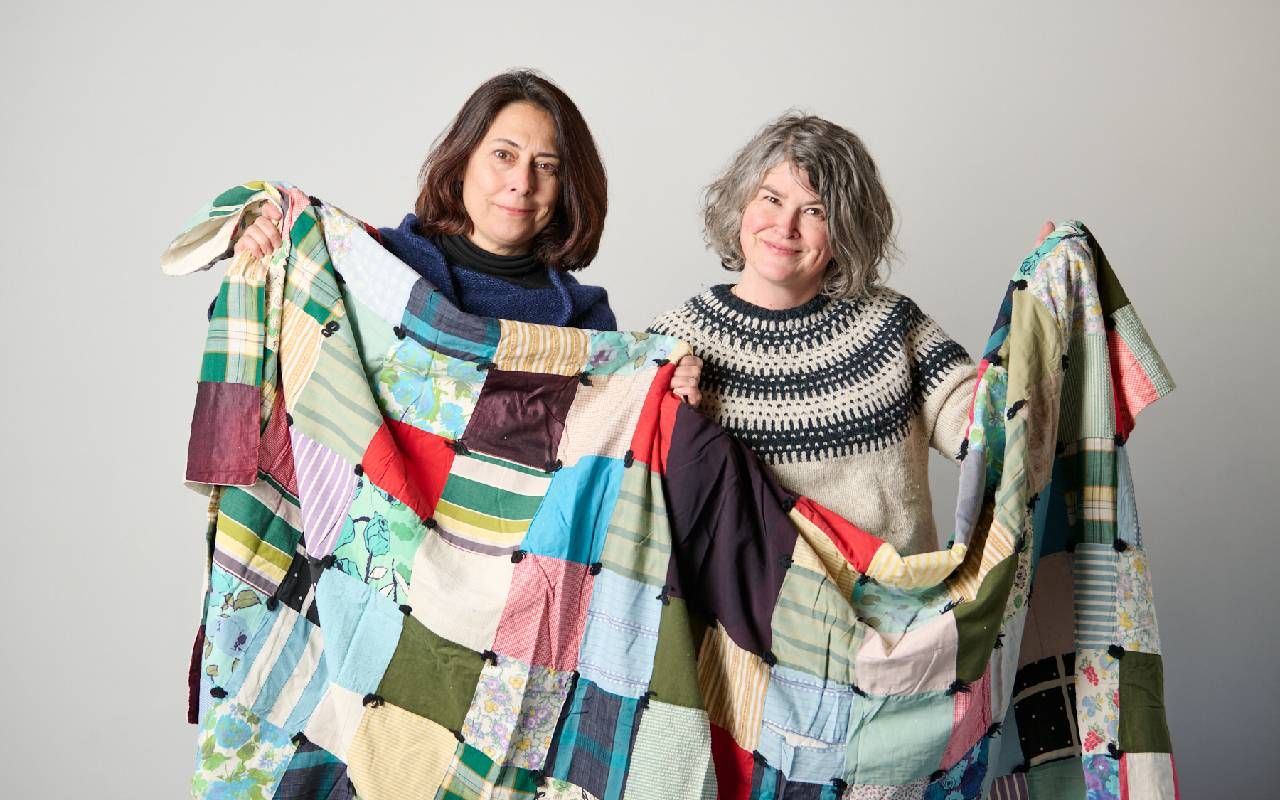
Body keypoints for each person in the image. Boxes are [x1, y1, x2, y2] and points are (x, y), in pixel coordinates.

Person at [653, 112, 1052, 555]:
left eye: (814, 211)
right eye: (771, 198)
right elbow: (641, 510)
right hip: (751, 620)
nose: (785, 227)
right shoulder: (674, 342)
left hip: (897, 613)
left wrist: (1036, 311)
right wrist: (672, 423)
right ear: (741, 201)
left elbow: (991, 431)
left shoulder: (891, 323)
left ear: (845, 229)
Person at [235, 70, 616, 329]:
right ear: (463, 161)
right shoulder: (370, 263)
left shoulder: (584, 321)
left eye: (546, 166)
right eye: (504, 155)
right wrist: (260, 269)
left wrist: (672, 388)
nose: (522, 182)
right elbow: (264, 346)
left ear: (566, 186)